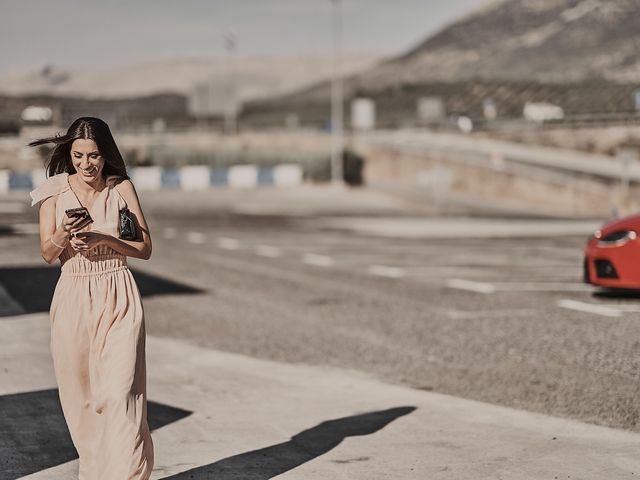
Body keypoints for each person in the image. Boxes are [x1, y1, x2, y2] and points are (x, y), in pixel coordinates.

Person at [28, 117, 154, 479]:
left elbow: (144, 248)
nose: (87, 164)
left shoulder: (121, 187)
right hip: (73, 295)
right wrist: (64, 234)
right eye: (79, 155)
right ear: (70, 153)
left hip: (118, 293)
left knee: (120, 393)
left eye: (95, 155)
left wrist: (105, 239)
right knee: (81, 399)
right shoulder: (52, 191)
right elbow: (46, 254)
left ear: (106, 154)